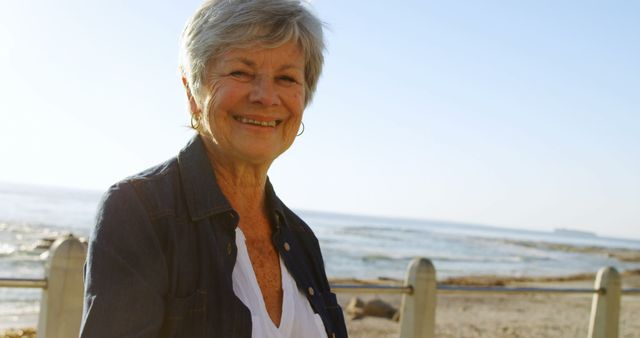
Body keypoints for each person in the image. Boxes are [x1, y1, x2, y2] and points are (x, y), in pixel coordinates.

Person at [79, 0, 347, 337]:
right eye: (241, 72)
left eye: (286, 77)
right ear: (193, 90)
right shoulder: (139, 211)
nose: (266, 96)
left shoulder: (302, 238)